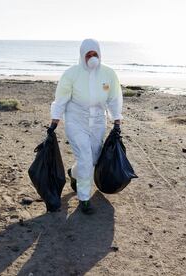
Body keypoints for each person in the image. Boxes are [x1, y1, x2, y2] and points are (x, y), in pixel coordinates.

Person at [49, 38, 123, 215]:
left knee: (92, 160)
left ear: (99, 54)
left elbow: (114, 99)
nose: (92, 57)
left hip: (98, 122)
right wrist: (54, 122)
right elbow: (61, 100)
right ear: (82, 56)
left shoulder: (109, 74)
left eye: (94, 53)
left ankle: (74, 173)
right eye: (88, 54)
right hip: (76, 121)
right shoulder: (71, 74)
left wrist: (117, 121)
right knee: (85, 158)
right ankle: (84, 198)